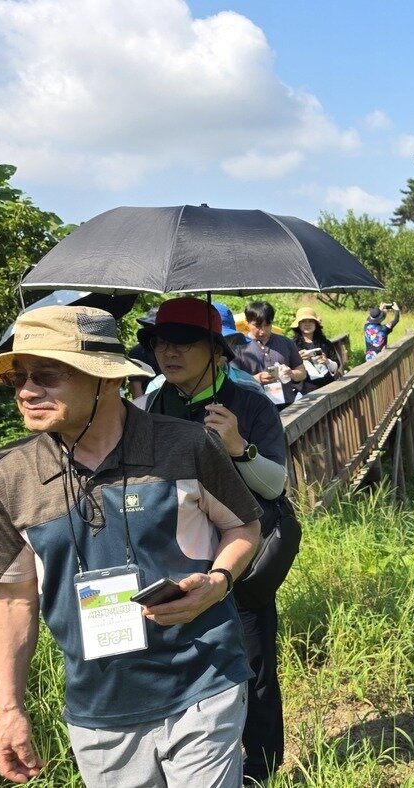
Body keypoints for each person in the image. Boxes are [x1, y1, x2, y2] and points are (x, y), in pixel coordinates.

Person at [0, 305, 261, 787]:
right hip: (99, 710)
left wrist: (218, 582)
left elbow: (243, 528)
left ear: (107, 379)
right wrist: (10, 709)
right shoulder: (11, 481)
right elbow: (12, 598)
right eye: (18, 378)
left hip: (203, 681)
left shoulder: (187, 446)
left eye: (48, 375)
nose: (27, 391)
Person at [137, 297, 295, 785]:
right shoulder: (152, 404)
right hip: (179, 556)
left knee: (252, 659)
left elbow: (277, 486)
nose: (170, 352)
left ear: (216, 351)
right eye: (162, 342)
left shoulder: (247, 402)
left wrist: (238, 448)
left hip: (241, 555)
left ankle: (261, 767)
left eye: (185, 342)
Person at [231, 301, 306, 410]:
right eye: (257, 326)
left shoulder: (286, 342)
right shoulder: (238, 347)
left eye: (267, 325)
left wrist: (291, 373)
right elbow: (233, 380)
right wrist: (256, 379)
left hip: (288, 406)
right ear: (247, 323)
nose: (263, 331)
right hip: (254, 408)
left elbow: (302, 372)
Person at [289, 306, 342, 393]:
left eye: (310, 321)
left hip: (328, 386)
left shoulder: (325, 343)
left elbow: (337, 364)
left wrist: (326, 361)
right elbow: (289, 369)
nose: (307, 324)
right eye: (303, 322)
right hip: (305, 390)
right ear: (298, 325)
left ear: (316, 324)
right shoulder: (292, 345)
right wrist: (298, 359)